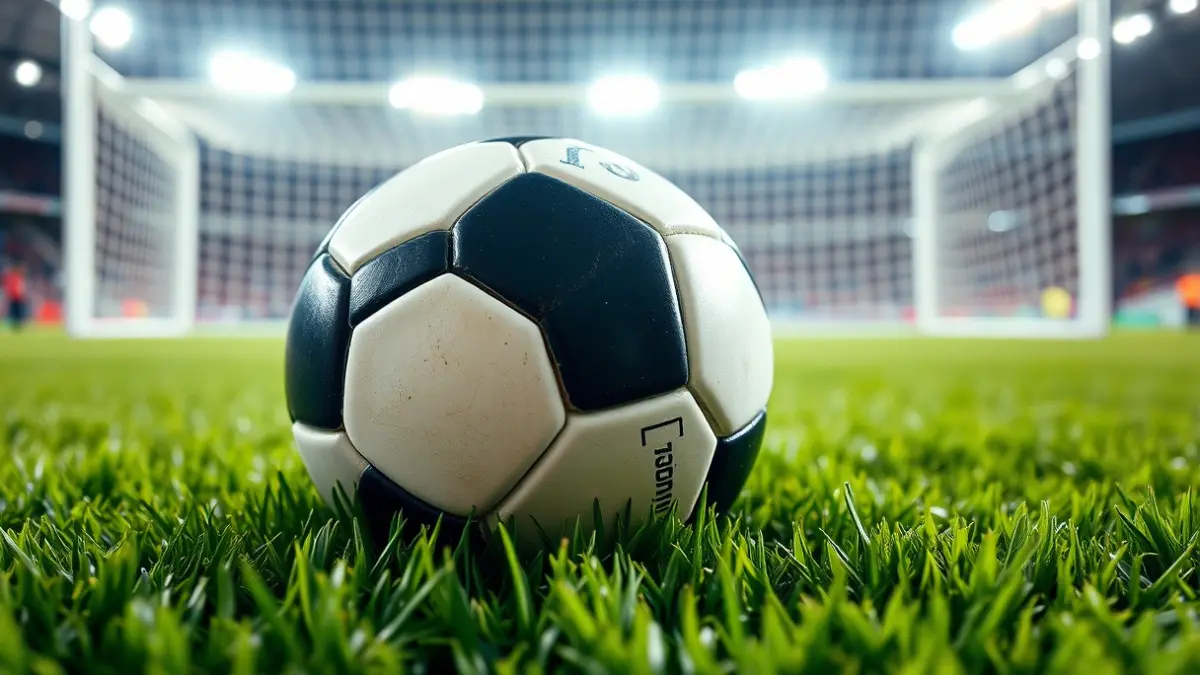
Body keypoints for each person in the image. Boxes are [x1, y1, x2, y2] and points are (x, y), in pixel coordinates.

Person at [3, 262, 29, 331]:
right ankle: (14, 325)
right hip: (14, 298)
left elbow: (21, 288)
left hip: (18, 298)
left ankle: (19, 325)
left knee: (18, 312)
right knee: (15, 312)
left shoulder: (19, 278)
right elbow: (11, 288)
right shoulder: (14, 278)